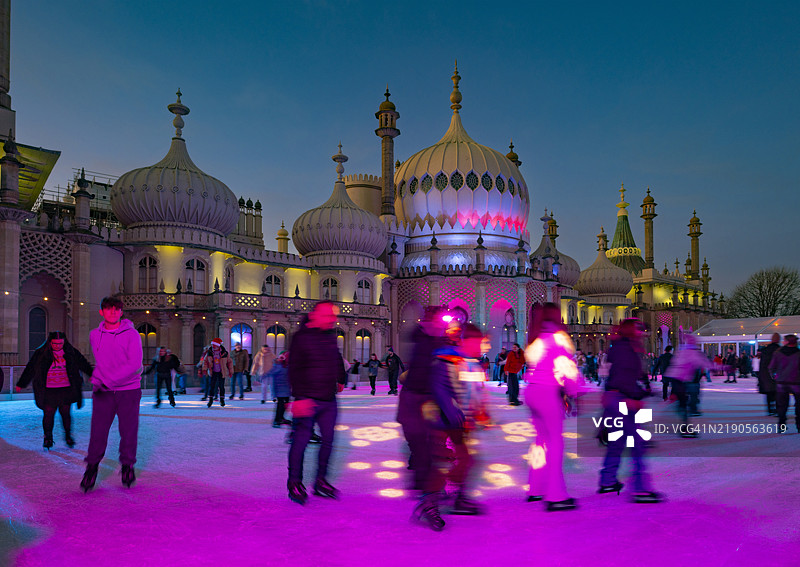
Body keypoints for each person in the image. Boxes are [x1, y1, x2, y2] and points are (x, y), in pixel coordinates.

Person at [414, 322, 487, 531]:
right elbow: (440, 390)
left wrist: (479, 413)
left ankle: (459, 497)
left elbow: (473, 393)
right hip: (442, 423)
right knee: (443, 464)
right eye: (477, 342)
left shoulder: (469, 362)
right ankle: (429, 503)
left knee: (467, 460)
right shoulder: (446, 359)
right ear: (466, 341)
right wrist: (457, 415)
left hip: (457, 423)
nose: (480, 347)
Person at [81, 296, 143, 492]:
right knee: (98, 432)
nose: (113, 312)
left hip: (128, 390)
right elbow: (102, 362)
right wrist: (98, 378)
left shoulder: (132, 335)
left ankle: (127, 467)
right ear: (102, 312)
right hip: (103, 392)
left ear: (121, 312)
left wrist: (107, 380)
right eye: (109, 309)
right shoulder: (94, 335)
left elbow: (134, 365)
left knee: (128, 431)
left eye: (117, 309)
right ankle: (92, 467)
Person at [287, 301, 346, 504]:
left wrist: (341, 379)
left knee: (328, 440)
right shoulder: (300, 338)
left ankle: (321, 480)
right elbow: (294, 369)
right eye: (328, 316)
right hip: (307, 398)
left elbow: (336, 359)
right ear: (315, 316)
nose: (333, 320)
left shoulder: (329, 336)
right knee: (301, 442)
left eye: (333, 316)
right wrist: (299, 398)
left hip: (328, 399)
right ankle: (295, 482)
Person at [524, 303, 581, 511]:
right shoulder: (559, 338)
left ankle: (536, 487)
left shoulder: (535, 339)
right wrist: (573, 393)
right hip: (548, 392)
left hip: (532, 391)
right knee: (555, 441)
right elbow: (567, 368)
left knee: (540, 440)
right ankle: (556, 494)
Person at [599, 318, 662, 503]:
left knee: (617, 441)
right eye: (638, 329)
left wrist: (645, 390)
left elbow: (626, 375)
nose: (642, 332)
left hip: (616, 398)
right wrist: (632, 397)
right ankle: (641, 488)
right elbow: (621, 377)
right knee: (637, 443)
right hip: (622, 399)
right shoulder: (625, 350)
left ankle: (608, 480)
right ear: (629, 331)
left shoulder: (622, 348)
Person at [397, 306, 449, 527]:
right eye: (438, 321)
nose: (443, 325)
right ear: (429, 322)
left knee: (433, 453)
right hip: (414, 405)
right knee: (423, 453)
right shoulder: (424, 343)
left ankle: (429, 496)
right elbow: (417, 377)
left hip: (429, 405)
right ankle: (428, 501)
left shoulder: (437, 343)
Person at [17, 331, 93, 450]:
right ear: (50, 342)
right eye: (55, 343)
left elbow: (83, 363)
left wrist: (92, 375)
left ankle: (68, 435)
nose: (57, 346)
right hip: (48, 391)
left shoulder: (71, 352)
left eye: (60, 343)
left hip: (66, 389)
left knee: (66, 414)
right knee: (48, 414)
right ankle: (48, 437)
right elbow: (30, 368)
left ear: (64, 342)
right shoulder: (41, 354)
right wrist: (21, 383)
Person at [664, 336, 711, 437]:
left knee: (683, 403)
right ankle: (684, 428)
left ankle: (683, 423)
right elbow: (705, 364)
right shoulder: (693, 353)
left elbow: (674, 365)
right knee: (684, 403)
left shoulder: (682, 352)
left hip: (676, 380)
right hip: (681, 381)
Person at [768, 334, 800, 433]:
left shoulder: (778, 353)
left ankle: (782, 425)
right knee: (799, 405)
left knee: (782, 405)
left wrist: (775, 377)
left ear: (786, 341)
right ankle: (799, 425)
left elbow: (771, 367)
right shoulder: (799, 353)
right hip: (796, 382)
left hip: (781, 383)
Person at [203, 338, 234, 408]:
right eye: (212, 345)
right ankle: (210, 400)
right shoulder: (209, 352)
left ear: (218, 345)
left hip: (221, 372)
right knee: (212, 386)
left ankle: (222, 400)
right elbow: (205, 361)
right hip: (213, 372)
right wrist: (204, 369)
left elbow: (229, 362)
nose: (213, 346)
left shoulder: (225, 353)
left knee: (221, 386)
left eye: (214, 345)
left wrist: (230, 371)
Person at [266, 351, 291, 427]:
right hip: (280, 390)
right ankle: (276, 420)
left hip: (286, 389)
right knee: (280, 405)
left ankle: (282, 418)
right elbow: (271, 376)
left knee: (286, 404)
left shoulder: (287, 366)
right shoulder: (278, 366)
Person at [758, 333, 781, 416]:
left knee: (769, 393)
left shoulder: (765, 350)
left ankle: (770, 409)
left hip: (765, 376)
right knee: (777, 393)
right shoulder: (779, 350)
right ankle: (777, 409)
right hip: (776, 376)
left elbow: (762, 365)